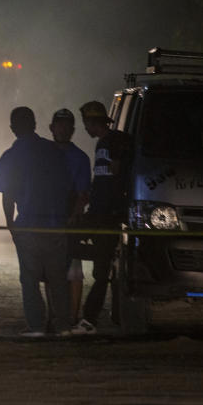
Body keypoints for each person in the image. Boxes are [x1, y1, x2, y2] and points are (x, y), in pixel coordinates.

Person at [0, 107, 73, 338]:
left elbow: (7, 196)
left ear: (12, 129)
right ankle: (64, 326)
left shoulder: (9, 157)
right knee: (58, 277)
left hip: (27, 224)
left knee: (29, 278)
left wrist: (11, 224)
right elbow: (68, 188)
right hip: (56, 223)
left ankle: (37, 326)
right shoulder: (54, 151)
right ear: (36, 124)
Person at [72, 101, 133, 335]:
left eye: (86, 123)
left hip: (106, 216)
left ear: (91, 122)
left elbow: (114, 176)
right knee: (104, 267)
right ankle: (112, 316)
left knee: (101, 270)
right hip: (99, 214)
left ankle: (89, 320)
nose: (85, 128)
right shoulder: (104, 144)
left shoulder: (111, 142)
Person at [48, 108, 92, 324]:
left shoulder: (80, 158)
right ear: (52, 128)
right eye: (60, 125)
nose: (63, 130)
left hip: (68, 219)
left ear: (73, 130)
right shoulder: (44, 154)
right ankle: (55, 315)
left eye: (67, 126)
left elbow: (83, 193)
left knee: (73, 270)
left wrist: (75, 214)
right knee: (50, 270)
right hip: (48, 218)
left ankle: (71, 317)